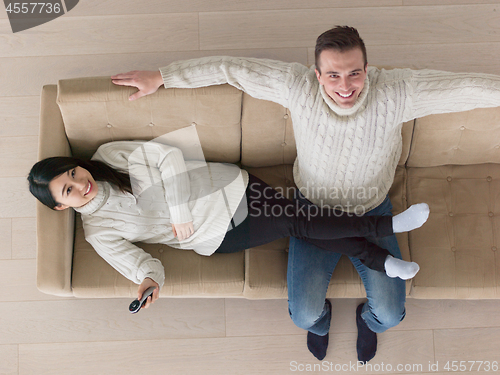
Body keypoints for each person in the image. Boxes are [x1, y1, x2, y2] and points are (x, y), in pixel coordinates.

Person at [110, 25, 500, 362]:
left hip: (372, 209)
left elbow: (465, 87)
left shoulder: (397, 91)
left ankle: (366, 320)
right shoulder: (296, 86)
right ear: (316, 73)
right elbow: (234, 68)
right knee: (303, 315)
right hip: (312, 214)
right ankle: (323, 320)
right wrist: (163, 76)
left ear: (368, 68)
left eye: (354, 73)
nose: (345, 86)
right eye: (333, 76)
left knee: (391, 316)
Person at [29, 140, 429, 308]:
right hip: (216, 232)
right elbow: (140, 265)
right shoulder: (99, 232)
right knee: (295, 222)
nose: (80, 184)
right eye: (67, 191)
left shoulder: (108, 156)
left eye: (72, 173)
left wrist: (179, 211)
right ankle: (381, 236)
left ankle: (380, 252)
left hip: (228, 185)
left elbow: (167, 156)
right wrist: (149, 284)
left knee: (296, 222)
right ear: (62, 208)